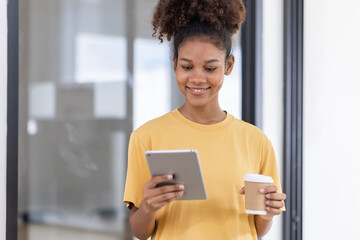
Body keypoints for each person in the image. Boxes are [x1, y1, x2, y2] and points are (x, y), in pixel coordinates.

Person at [123, 0, 286, 239]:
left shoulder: (256, 141)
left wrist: (267, 214)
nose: (197, 78)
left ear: (228, 65)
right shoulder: (146, 137)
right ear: (174, 63)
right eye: (187, 67)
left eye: (210, 68)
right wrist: (148, 206)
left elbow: (258, 230)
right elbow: (140, 232)